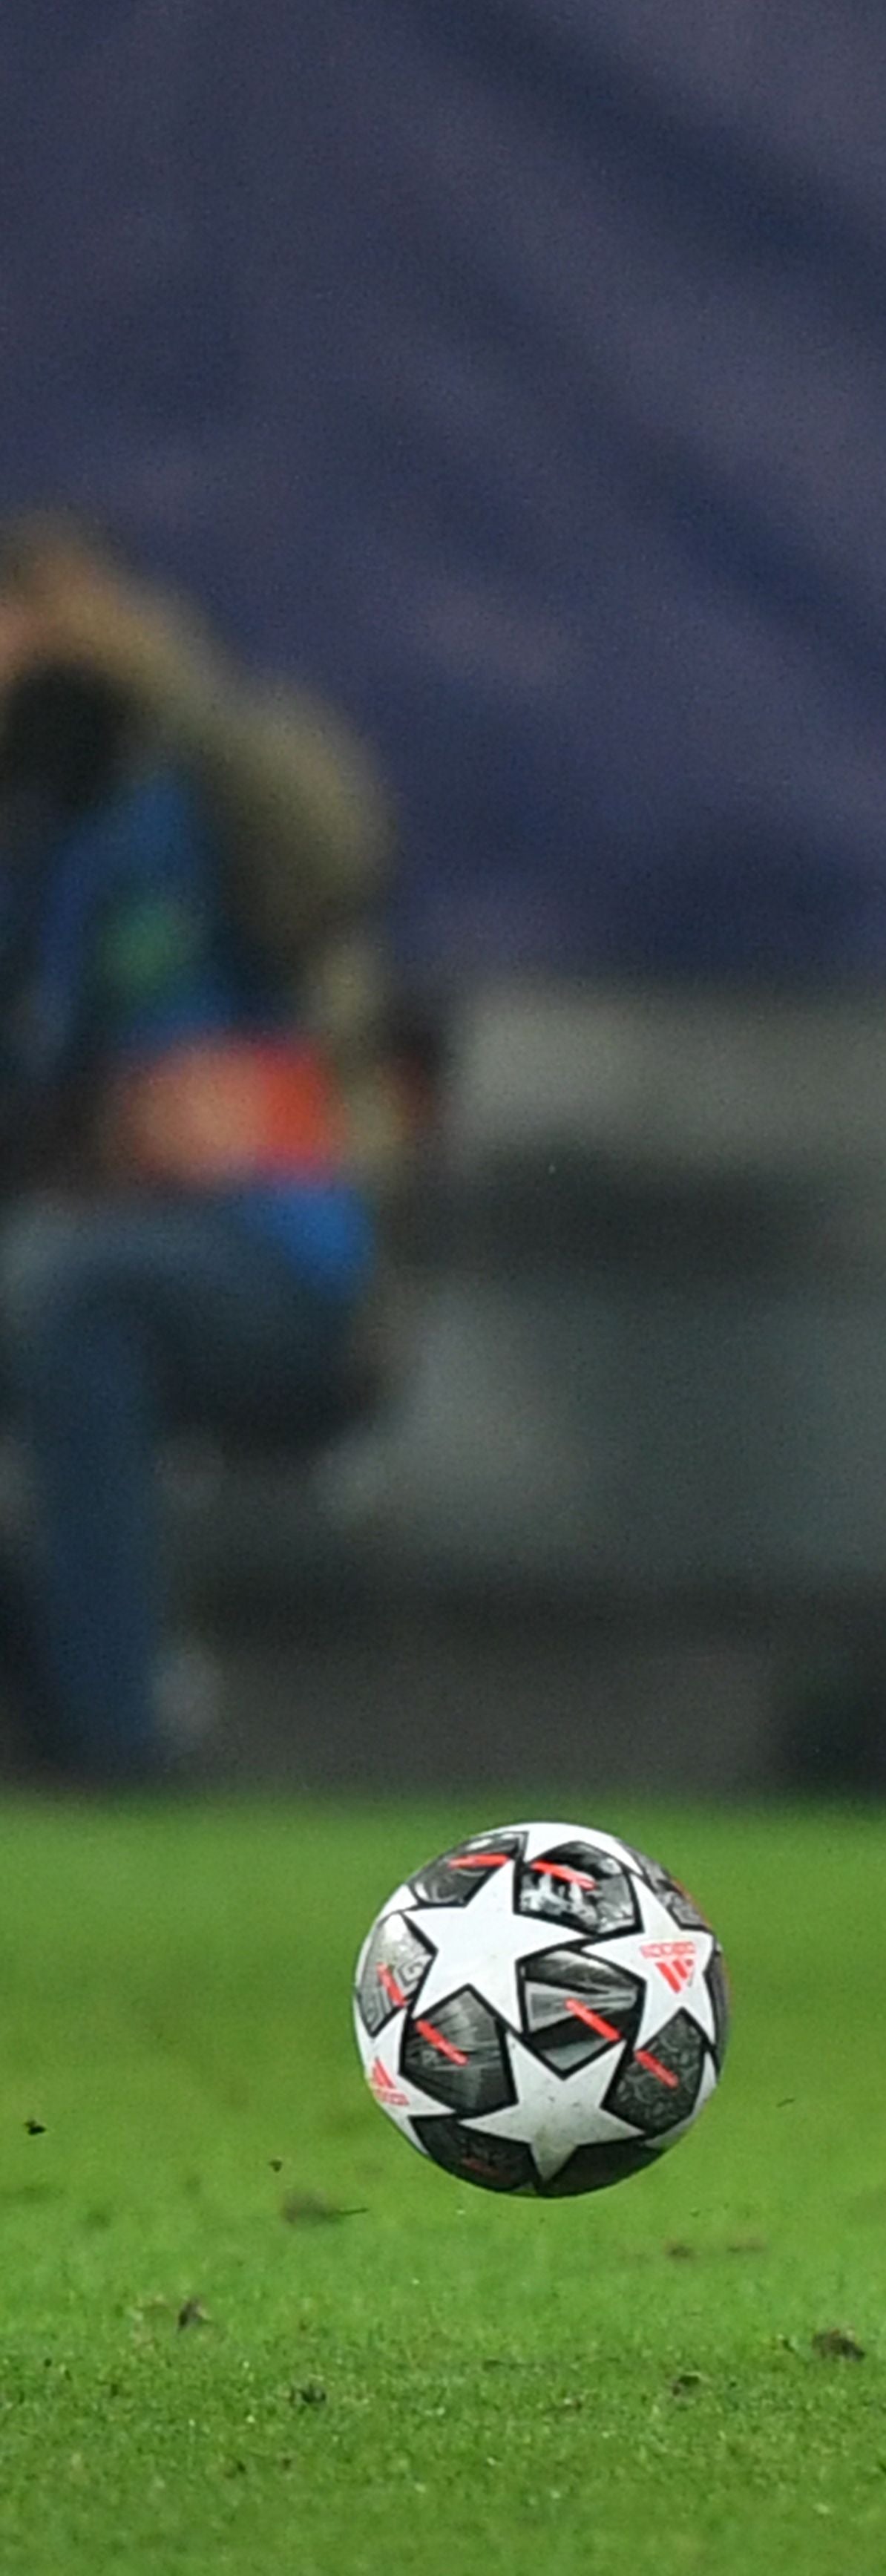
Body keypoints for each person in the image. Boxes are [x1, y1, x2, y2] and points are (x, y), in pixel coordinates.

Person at [0, 521, 390, 1783]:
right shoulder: (43, 842)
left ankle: (120, 1741)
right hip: (87, 1239)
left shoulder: (198, 797)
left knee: (70, 1295)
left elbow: (340, 856)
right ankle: (63, 1700)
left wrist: (162, 684)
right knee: (63, 1289)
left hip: (272, 1253)